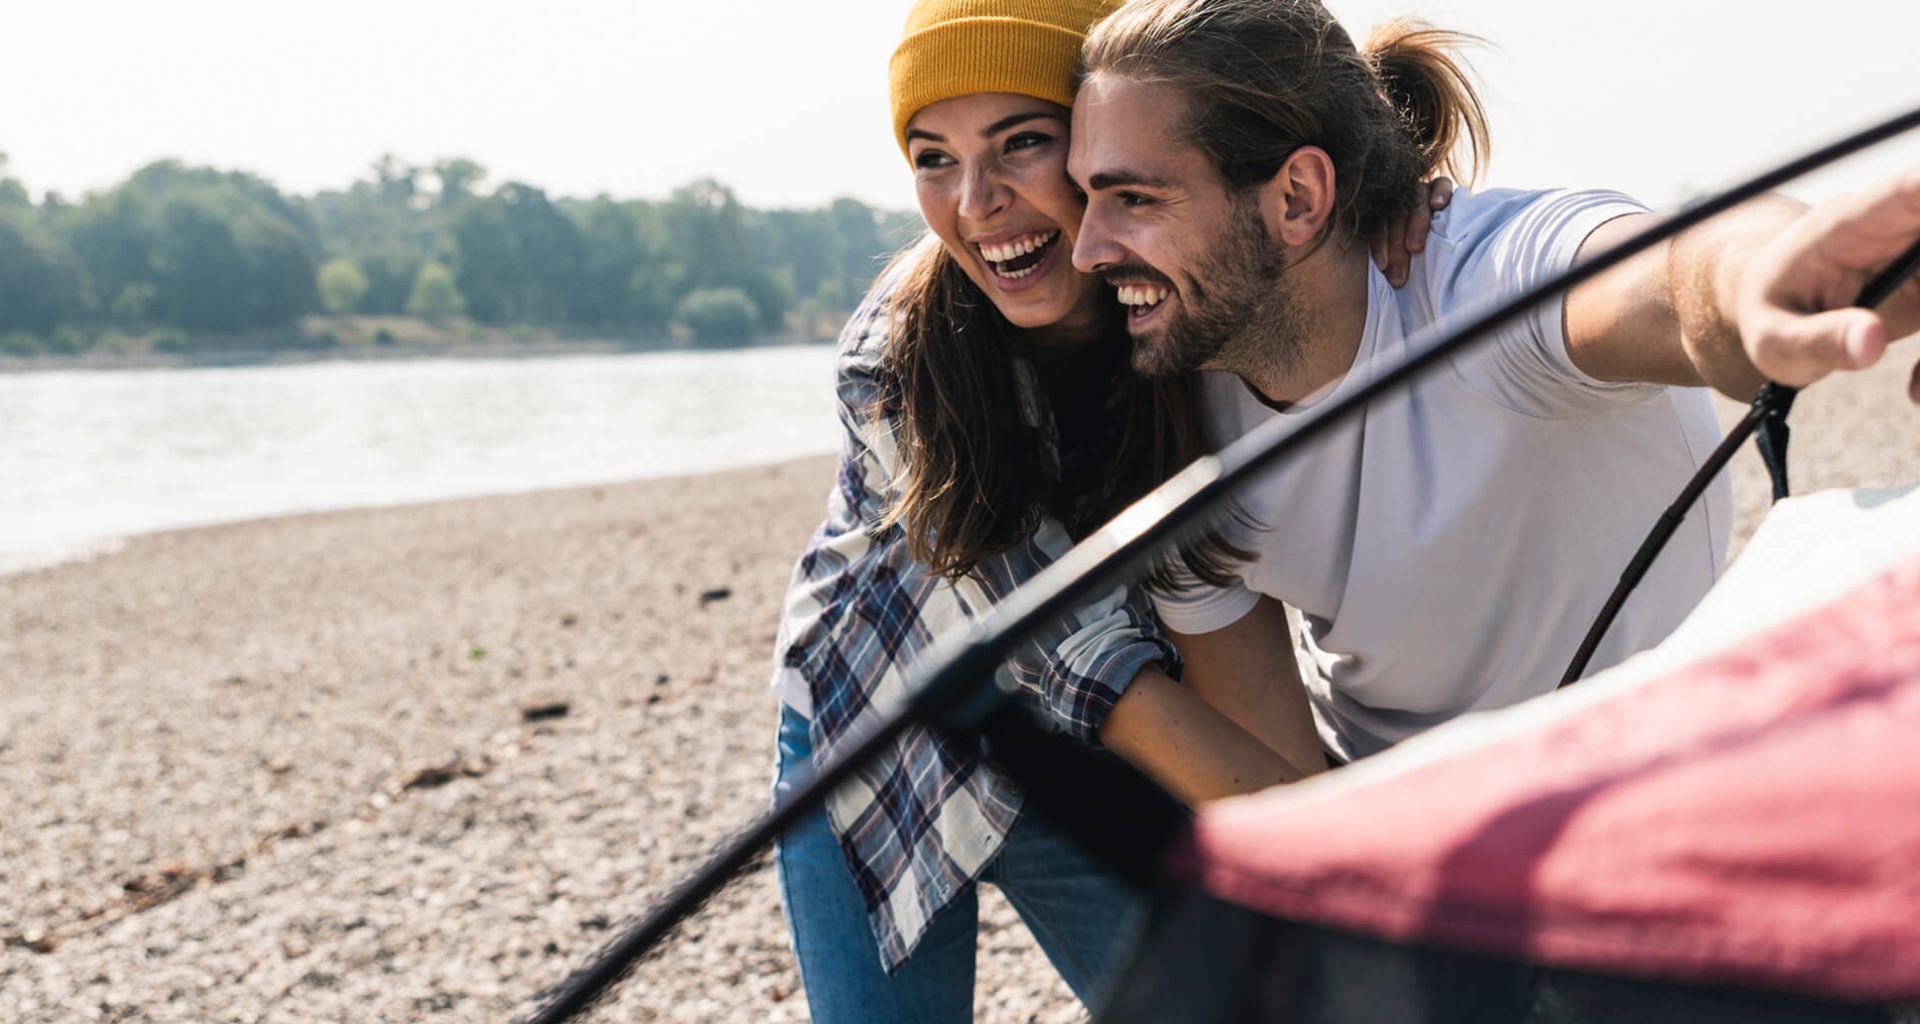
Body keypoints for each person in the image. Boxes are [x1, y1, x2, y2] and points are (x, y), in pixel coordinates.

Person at [765, 0, 1450, 1018]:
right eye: (933, 157)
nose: (980, 201)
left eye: (1024, 143)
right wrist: (1346, 881)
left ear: (1097, 141)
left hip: (1085, 748)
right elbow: (1080, 657)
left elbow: (1222, 637)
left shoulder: (1184, 314)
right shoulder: (897, 360)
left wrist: (1373, 205)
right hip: (879, 743)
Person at [1061, 0, 1920, 763]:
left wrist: (1768, 279)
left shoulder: (1483, 281)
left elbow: (1672, 274)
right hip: (1406, 825)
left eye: (1133, 198)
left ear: (1297, 198)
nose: (1088, 249)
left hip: (1658, 780)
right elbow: (1280, 780)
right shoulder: (1166, 425)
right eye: (1088, 199)